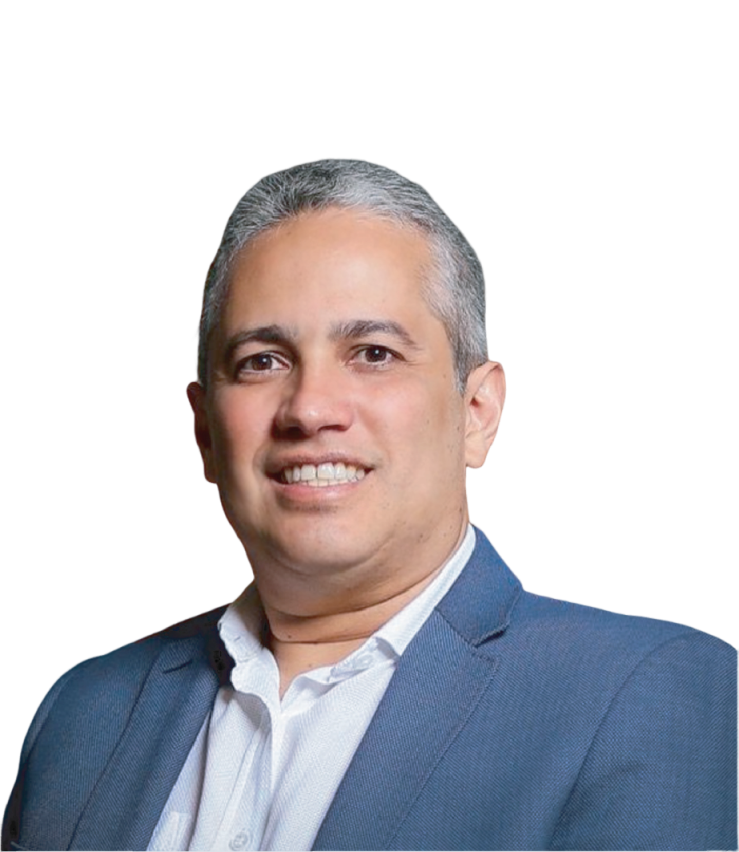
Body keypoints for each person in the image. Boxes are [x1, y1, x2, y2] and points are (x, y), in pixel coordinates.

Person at [3, 158, 737, 852]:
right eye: (262, 361)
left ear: (477, 412)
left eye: (373, 353)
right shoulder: (83, 711)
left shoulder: (654, 695)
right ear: (204, 433)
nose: (310, 409)